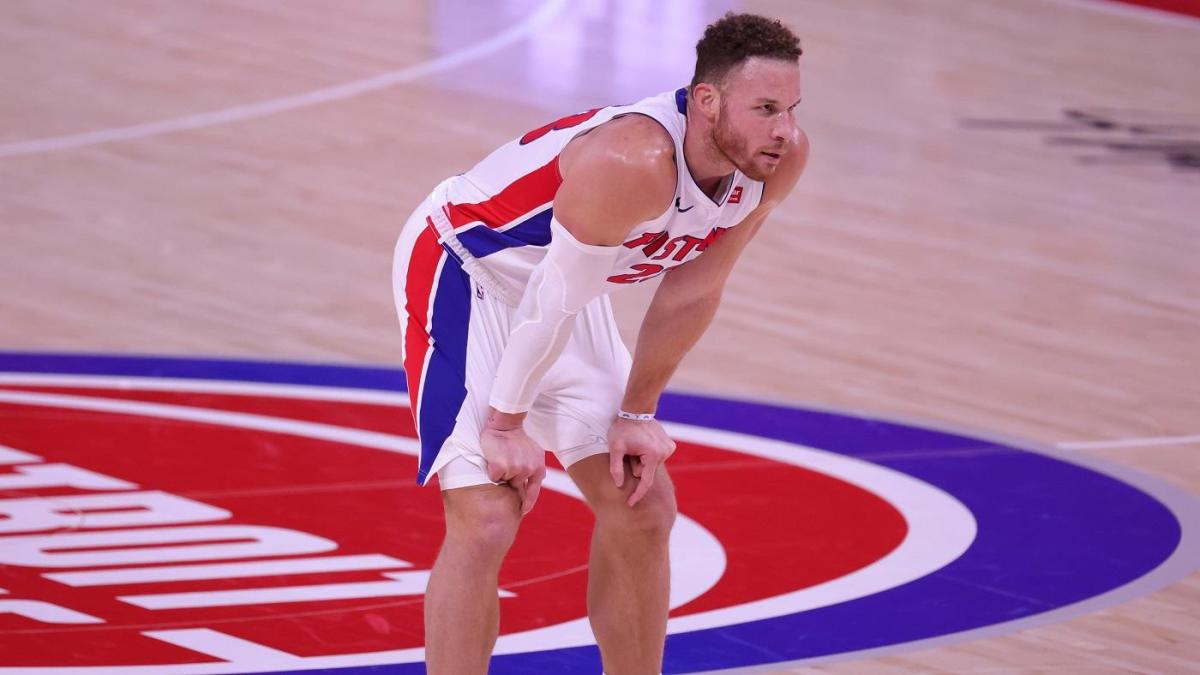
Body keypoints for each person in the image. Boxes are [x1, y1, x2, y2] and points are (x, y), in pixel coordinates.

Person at [391, 12, 807, 674]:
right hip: (468, 268)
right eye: (765, 108)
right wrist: (506, 422)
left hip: (564, 295)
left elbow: (693, 291)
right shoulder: (635, 161)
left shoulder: (772, 161)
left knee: (642, 505)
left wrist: (636, 414)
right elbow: (551, 296)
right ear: (707, 101)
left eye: (790, 107)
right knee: (488, 517)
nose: (784, 129)